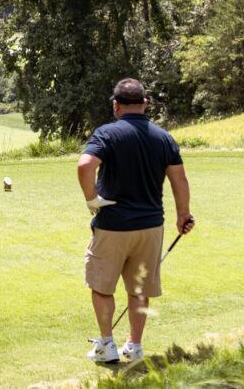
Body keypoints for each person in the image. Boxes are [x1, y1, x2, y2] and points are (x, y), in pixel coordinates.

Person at [77, 78, 194, 363]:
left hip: (113, 226)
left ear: (116, 105)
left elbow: (85, 165)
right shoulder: (163, 137)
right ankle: (135, 346)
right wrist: (183, 215)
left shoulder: (107, 133)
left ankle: (107, 346)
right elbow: (179, 180)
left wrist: (92, 199)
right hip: (150, 227)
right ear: (145, 103)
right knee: (140, 289)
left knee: (102, 287)